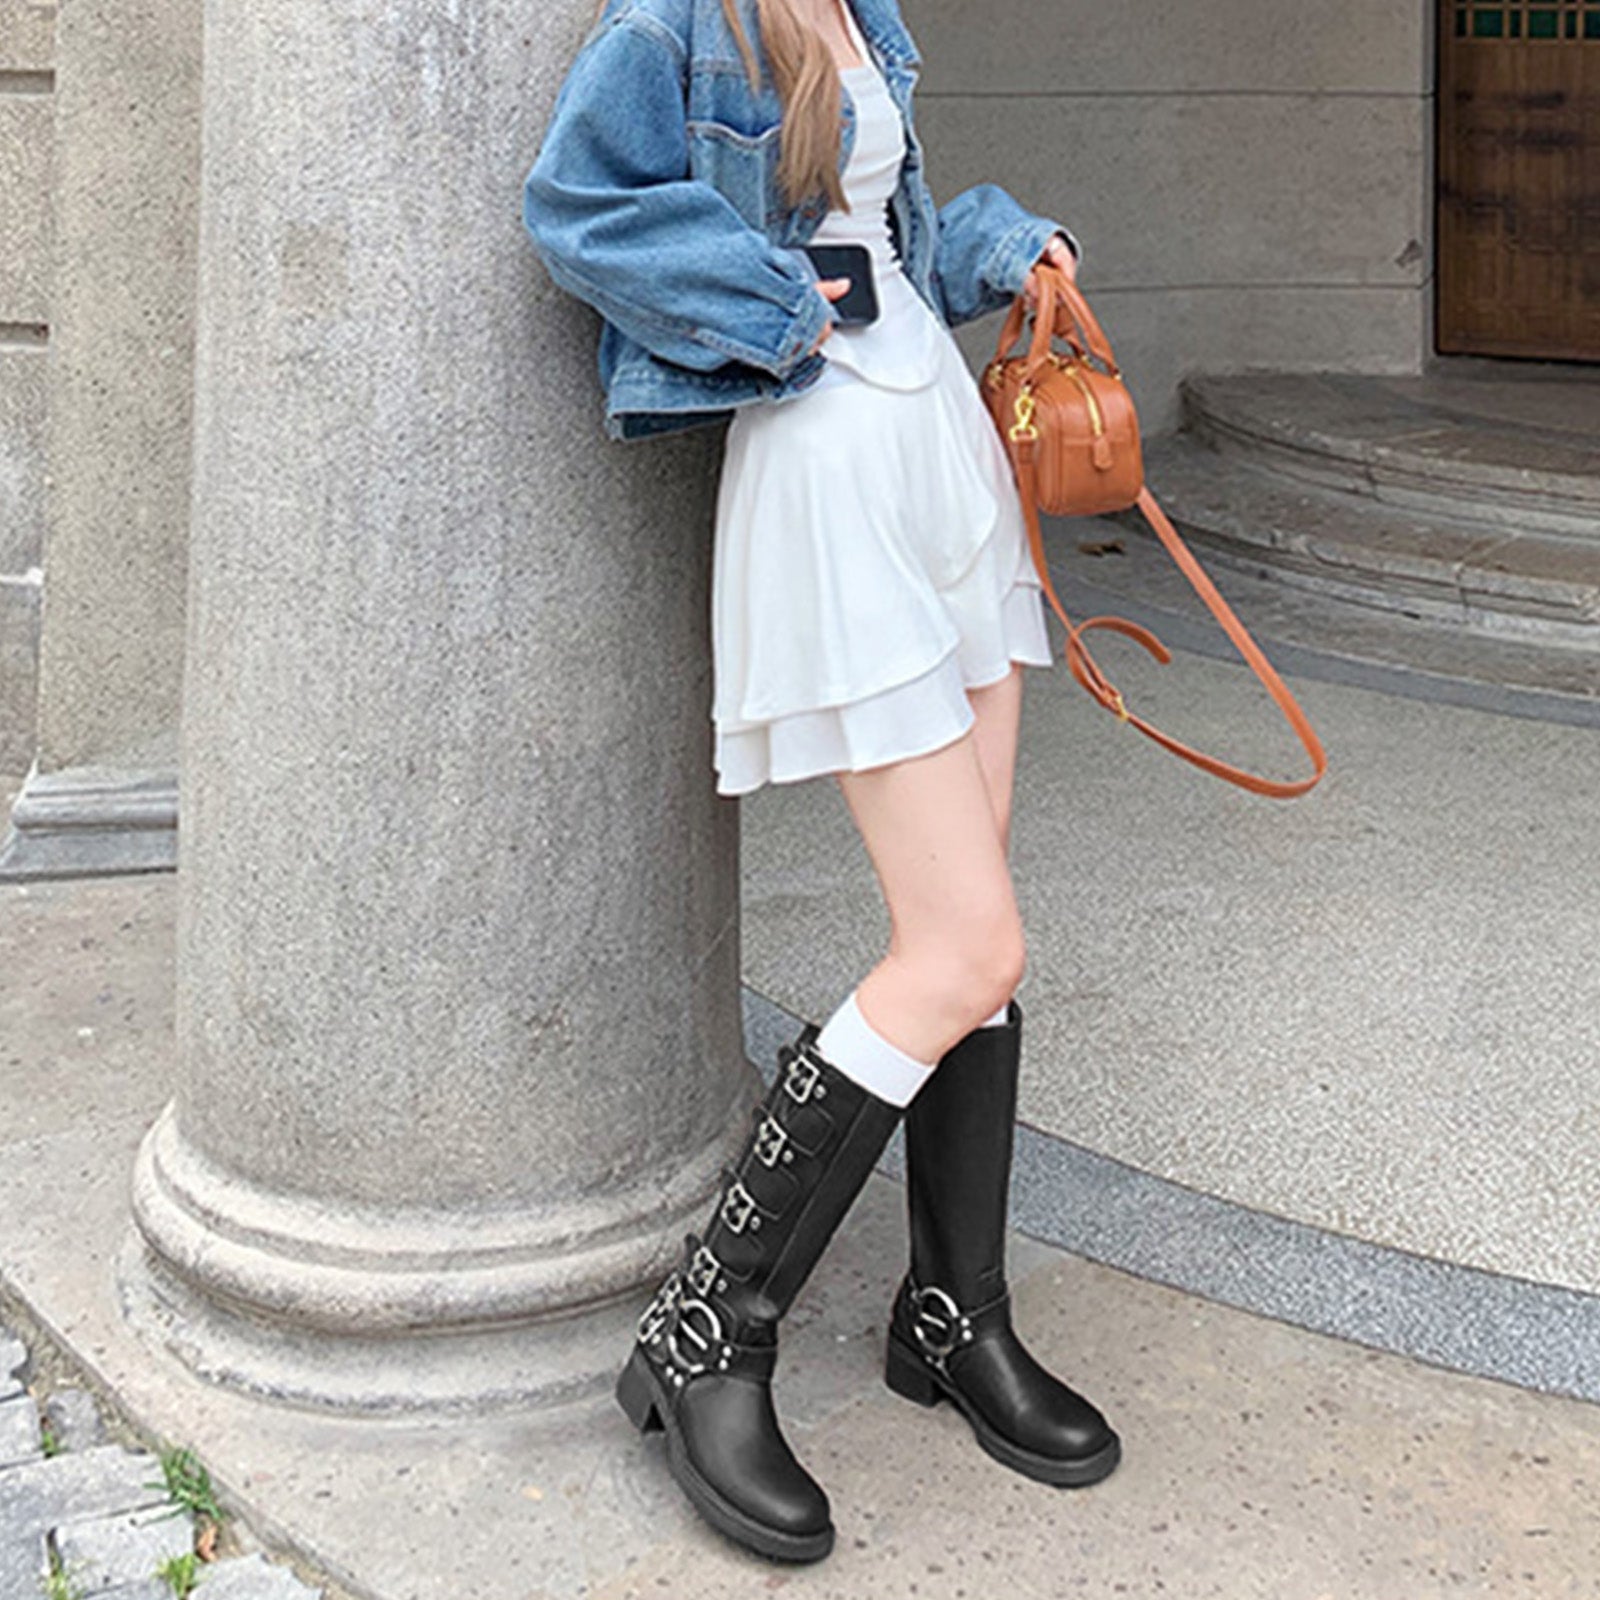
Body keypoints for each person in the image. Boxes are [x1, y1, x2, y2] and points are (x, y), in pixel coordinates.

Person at [521, 0, 1120, 1565]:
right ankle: (708, 1330)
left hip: (944, 458)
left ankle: (952, 1316)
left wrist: (1006, 247)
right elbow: (579, 207)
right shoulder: (678, 18)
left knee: (979, 941)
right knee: (965, 945)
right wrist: (789, 305)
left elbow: (888, 241)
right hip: (830, 462)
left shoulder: (866, 14)